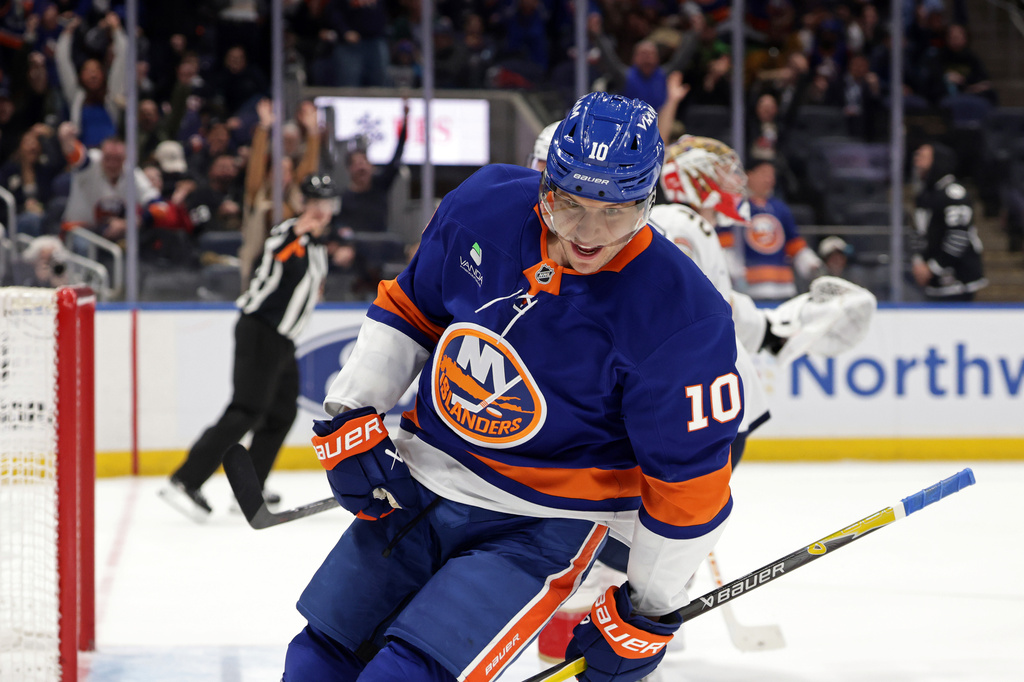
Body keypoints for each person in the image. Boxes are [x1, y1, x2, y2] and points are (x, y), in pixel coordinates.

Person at [283, 92, 742, 682]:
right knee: (319, 655)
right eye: (571, 204)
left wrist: (648, 615)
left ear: (648, 201)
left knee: (405, 674)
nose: (588, 234)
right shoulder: (483, 207)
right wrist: (351, 412)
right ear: (546, 181)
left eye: (615, 212)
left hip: (541, 522)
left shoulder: (682, 315)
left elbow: (688, 489)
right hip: (419, 485)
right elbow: (411, 310)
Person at [159, 174, 337, 522]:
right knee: (246, 409)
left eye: (327, 203)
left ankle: (250, 486)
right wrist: (300, 233)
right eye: (315, 202)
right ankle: (185, 480)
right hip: (261, 331)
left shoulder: (317, 247)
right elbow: (275, 264)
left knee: (282, 412)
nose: (322, 210)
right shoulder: (288, 234)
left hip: (283, 340)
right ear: (303, 204)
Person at [328, 100, 409, 298]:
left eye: (365, 162)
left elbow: (396, 158)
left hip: (381, 247)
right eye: (356, 164)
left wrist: (405, 120)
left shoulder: (380, 186)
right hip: (356, 253)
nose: (362, 167)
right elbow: (337, 225)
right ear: (349, 170)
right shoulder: (343, 198)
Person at [725, 159, 823, 301]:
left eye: (772, 175)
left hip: (783, 288)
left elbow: (794, 243)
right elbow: (726, 243)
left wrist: (811, 264)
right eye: (764, 173)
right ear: (748, 175)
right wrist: (732, 270)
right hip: (748, 291)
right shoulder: (736, 207)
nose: (769, 179)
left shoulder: (780, 208)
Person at [910, 142, 987, 301]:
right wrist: (918, 262)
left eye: (923, 156)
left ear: (938, 161)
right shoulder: (925, 195)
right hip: (933, 281)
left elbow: (958, 236)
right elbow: (918, 232)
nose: (917, 161)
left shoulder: (953, 194)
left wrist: (932, 268)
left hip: (958, 278)